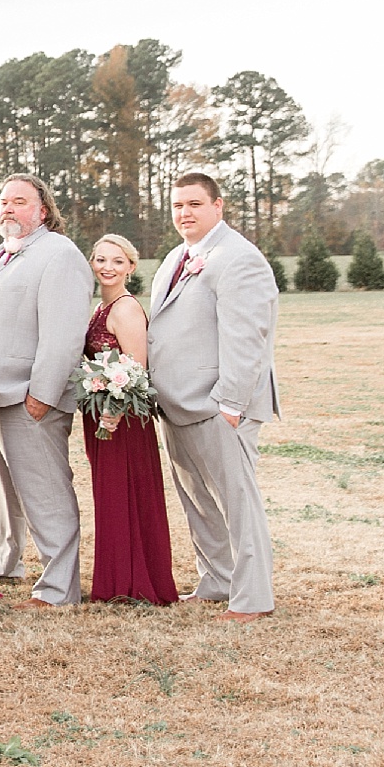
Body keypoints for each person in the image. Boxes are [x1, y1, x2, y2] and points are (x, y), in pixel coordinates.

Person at [148, 173, 279, 623]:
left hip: (219, 405)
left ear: (218, 207)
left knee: (237, 501)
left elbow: (248, 337)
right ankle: (217, 579)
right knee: (199, 500)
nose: (184, 213)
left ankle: (253, 598)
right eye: (178, 204)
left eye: (195, 204)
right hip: (179, 404)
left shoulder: (238, 258)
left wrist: (231, 404)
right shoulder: (176, 257)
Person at [0, 174, 95, 608]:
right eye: (4, 201)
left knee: (46, 492)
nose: (8, 209)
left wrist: (43, 392)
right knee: (5, 492)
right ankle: (5, 559)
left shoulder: (59, 254)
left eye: (19, 202)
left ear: (43, 210)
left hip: (28, 396)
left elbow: (63, 333)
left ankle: (59, 590)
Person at [82, 233, 178, 606]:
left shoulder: (124, 309)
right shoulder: (100, 308)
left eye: (117, 261)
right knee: (109, 494)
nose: (108, 267)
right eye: (101, 260)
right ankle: (117, 578)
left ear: (131, 267)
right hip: (100, 412)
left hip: (121, 417)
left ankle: (136, 580)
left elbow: (136, 367)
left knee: (126, 492)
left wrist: (113, 411)